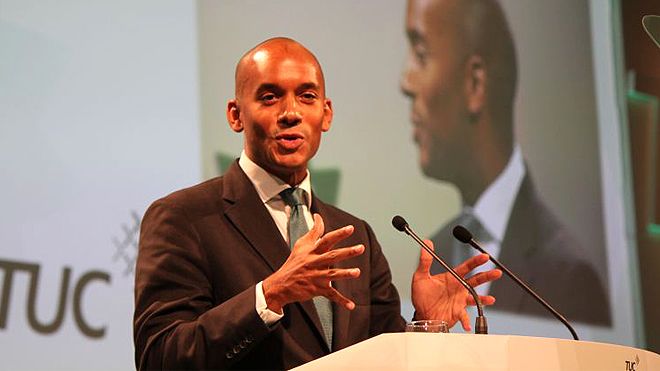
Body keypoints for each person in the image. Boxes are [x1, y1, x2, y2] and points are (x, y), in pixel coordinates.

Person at [133, 37, 501, 370]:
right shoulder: (184, 218)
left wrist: (424, 325)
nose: (291, 112)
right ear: (235, 115)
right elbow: (159, 358)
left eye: (306, 97)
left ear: (326, 114)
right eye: (269, 96)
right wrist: (270, 294)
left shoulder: (357, 237)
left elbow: (386, 359)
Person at [400, 0, 610, 326]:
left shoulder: (569, 273)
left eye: (422, 55)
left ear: (475, 84)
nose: (406, 82)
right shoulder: (439, 249)